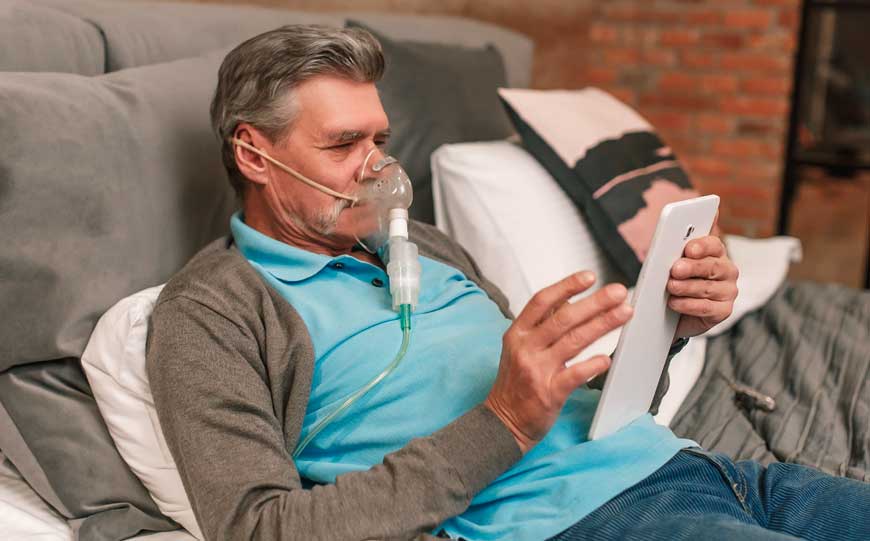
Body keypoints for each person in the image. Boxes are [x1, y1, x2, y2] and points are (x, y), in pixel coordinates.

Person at [145, 25, 870, 541]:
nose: (377, 169)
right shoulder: (213, 313)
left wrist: (670, 330)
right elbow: (256, 528)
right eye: (342, 145)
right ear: (255, 154)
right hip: (590, 522)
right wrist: (507, 420)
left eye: (380, 141)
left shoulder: (423, 244)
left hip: (706, 470)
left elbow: (568, 403)